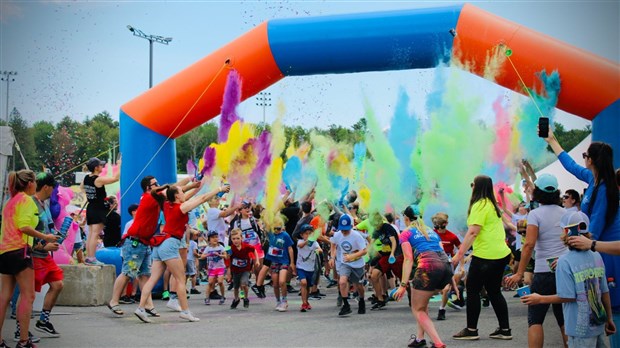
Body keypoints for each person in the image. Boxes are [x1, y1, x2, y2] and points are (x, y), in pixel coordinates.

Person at [544, 130, 620, 345]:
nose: (582, 159)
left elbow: (591, 231)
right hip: (596, 249)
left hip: (607, 254)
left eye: (585, 155)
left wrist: (569, 258)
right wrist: (552, 140)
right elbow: (571, 166)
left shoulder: (604, 189)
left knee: (609, 303)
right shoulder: (593, 178)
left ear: (593, 160)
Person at [134, 181, 228, 323]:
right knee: (180, 279)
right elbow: (201, 199)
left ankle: (141, 308)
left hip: (160, 244)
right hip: (170, 243)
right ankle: (185, 311)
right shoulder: (181, 208)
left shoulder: (166, 204)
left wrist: (198, 185)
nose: (184, 193)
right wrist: (219, 189)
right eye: (182, 192)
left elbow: (194, 196)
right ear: (177, 196)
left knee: (152, 279)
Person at [520, 214, 616, 347]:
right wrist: (609, 318)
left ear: (566, 232)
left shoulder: (564, 261)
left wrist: (540, 299)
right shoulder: (596, 255)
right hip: (597, 323)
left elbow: (567, 296)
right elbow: (604, 291)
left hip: (579, 329)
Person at [506, 173, 568, 348]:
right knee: (564, 319)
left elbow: (529, 244)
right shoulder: (567, 213)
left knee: (535, 319)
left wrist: (519, 273)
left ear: (538, 193)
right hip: (563, 271)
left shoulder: (535, 214)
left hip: (543, 272)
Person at [0, 170, 58, 348]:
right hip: (20, 251)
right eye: (34, 182)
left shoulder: (10, 202)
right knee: (28, 296)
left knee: (4, 297)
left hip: (4, 251)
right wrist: (45, 237)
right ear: (30, 183)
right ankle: (24, 341)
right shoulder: (26, 200)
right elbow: (24, 226)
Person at [451, 175, 512, 341]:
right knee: (493, 291)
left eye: (472, 184)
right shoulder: (492, 205)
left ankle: (471, 330)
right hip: (501, 254)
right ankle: (505, 329)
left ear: (477, 187)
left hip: (486, 255)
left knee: (472, 289)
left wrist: (459, 254)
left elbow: (473, 232)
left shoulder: (479, 205)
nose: (471, 187)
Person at [393, 205, 453, 348]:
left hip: (428, 268)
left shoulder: (406, 233)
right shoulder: (432, 231)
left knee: (417, 309)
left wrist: (402, 285)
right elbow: (444, 256)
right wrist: (452, 281)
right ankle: (420, 339)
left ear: (406, 218)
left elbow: (408, 259)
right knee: (422, 304)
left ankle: (438, 343)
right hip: (445, 268)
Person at [107, 176, 166, 317]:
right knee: (128, 273)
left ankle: (149, 305)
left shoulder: (153, 198)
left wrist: (192, 185)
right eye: (155, 183)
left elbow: (174, 191)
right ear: (148, 187)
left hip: (143, 243)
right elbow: (172, 189)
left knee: (144, 275)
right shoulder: (148, 197)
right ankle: (114, 301)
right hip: (135, 243)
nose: (158, 185)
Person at [30, 173, 64, 338]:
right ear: (47, 187)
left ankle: (43, 320)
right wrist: (44, 245)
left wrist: (57, 235)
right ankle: (20, 330)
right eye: (53, 187)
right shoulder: (31, 204)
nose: (54, 190)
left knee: (57, 284)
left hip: (45, 256)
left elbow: (47, 228)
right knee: (28, 294)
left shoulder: (44, 204)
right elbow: (28, 231)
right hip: (33, 255)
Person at [81, 156, 121, 265]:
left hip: (91, 207)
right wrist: (119, 165)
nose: (102, 166)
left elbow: (82, 188)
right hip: (98, 208)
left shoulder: (86, 178)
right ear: (96, 167)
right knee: (95, 234)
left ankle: (89, 257)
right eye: (100, 165)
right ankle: (91, 258)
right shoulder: (97, 179)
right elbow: (115, 178)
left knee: (91, 234)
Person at [329, 214, 367, 316]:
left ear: (351, 226)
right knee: (342, 282)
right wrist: (332, 257)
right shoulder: (337, 235)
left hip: (357, 264)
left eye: (346, 229)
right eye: (342, 229)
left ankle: (362, 300)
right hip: (344, 263)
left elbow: (364, 251)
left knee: (358, 285)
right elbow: (333, 244)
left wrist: (352, 256)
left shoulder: (357, 236)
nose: (344, 231)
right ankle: (346, 305)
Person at [432, 212, 461, 321]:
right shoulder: (431, 234)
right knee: (433, 289)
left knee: (445, 289)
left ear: (446, 223)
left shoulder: (452, 236)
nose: (440, 225)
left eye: (442, 223)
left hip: (448, 265)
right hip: (434, 264)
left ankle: (442, 309)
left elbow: (460, 249)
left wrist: (459, 262)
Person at [265, 215, 295, 312]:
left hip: (284, 261)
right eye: (275, 228)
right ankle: (278, 301)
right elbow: (265, 223)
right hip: (274, 261)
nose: (276, 230)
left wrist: (292, 262)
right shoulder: (271, 234)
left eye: (278, 228)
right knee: (275, 284)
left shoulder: (285, 235)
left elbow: (290, 248)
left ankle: (284, 300)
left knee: (282, 281)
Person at [227, 228, 259, 309]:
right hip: (235, 270)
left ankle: (245, 298)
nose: (236, 240)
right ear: (231, 239)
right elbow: (228, 259)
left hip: (245, 269)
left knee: (244, 283)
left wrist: (257, 260)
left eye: (238, 238)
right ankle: (236, 299)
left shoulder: (246, 246)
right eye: (233, 239)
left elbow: (254, 250)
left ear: (241, 238)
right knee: (236, 287)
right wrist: (228, 272)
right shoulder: (231, 248)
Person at [296, 224, 322, 312]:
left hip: (310, 268)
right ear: (301, 235)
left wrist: (317, 250)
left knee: (308, 286)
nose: (307, 235)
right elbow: (300, 246)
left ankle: (306, 301)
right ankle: (303, 303)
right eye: (305, 233)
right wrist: (307, 242)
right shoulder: (300, 242)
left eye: (310, 233)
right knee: (303, 283)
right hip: (301, 267)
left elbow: (320, 249)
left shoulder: (315, 243)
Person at [201, 231, 228, 305]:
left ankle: (222, 296)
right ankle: (207, 297)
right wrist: (209, 254)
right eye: (213, 237)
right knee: (210, 283)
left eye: (216, 237)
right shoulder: (208, 248)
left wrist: (219, 255)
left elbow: (226, 256)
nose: (215, 239)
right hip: (212, 268)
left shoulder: (220, 247)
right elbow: (202, 256)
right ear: (209, 239)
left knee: (220, 282)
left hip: (220, 267)